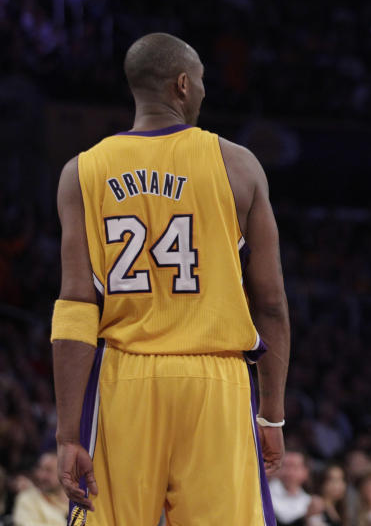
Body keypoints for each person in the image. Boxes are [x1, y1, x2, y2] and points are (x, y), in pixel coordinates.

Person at [52, 33, 290, 525]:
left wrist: (68, 434)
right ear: (183, 85)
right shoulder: (238, 165)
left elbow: (76, 304)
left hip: (125, 379)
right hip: (216, 380)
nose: (203, 91)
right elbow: (270, 304)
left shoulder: (82, 172)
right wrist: (271, 415)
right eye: (201, 81)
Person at [11, 452, 69, 526]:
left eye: (49, 470)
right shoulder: (28, 499)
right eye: (40, 469)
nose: (41, 475)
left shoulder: (79, 502)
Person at [271, 451, 317, 526]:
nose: (289, 472)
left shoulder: (309, 502)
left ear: (305, 472)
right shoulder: (264, 495)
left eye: (295, 467)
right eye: (285, 466)